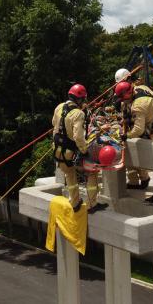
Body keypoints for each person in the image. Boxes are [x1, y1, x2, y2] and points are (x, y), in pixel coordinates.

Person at [52, 83, 107, 214]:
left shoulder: (59, 107)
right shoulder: (78, 114)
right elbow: (78, 137)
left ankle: (75, 203)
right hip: (71, 152)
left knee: (70, 175)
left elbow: (54, 124)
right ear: (80, 99)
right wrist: (84, 151)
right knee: (92, 172)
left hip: (58, 150)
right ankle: (92, 204)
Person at [116, 80, 153, 206]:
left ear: (128, 94)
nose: (123, 101)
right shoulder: (139, 88)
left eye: (123, 98)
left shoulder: (139, 105)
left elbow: (138, 130)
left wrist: (125, 136)